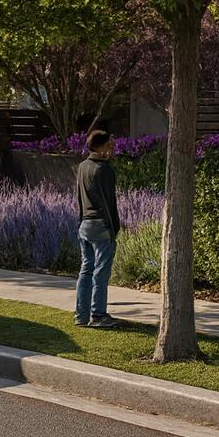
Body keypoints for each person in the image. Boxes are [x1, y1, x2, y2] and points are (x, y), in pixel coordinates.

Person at [75, 128, 122, 328]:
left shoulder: (82, 166)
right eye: (109, 146)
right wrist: (114, 229)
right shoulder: (104, 170)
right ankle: (98, 314)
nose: (112, 151)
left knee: (86, 270)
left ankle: (81, 315)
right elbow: (109, 203)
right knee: (101, 272)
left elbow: (79, 197)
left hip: (85, 224)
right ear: (101, 147)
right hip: (101, 225)